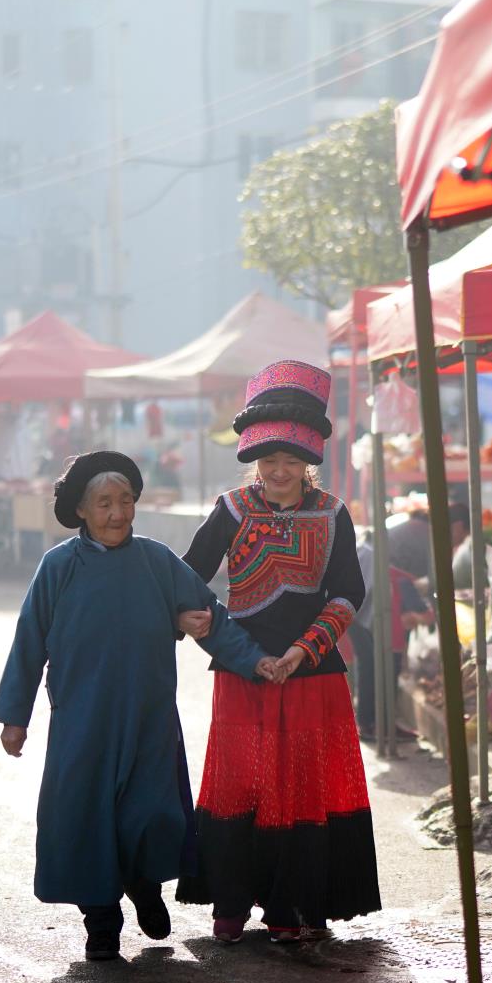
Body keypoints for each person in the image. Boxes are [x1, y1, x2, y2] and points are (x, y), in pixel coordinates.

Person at [0, 451, 271, 962]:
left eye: (125, 501)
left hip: (148, 717)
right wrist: (15, 716)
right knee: (85, 818)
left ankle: (144, 885)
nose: (118, 513)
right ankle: (100, 920)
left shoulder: (156, 560)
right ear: (81, 510)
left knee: (151, 813)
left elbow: (210, 617)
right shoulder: (58, 567)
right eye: (104, 503)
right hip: (83, 721)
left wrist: (256, 662)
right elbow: (28, 641)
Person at [176, 360, 383, 943]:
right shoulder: (232, 510)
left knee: (303, 783)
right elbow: (191, 577)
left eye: (292, 460)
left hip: (312, 670)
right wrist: (210, 631)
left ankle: (293, 906)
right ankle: (231, 904)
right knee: (240, 779)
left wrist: (300, 651)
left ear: (309, 461)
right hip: (243, 669)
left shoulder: (333, 513)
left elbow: (348, 592)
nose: (280, 470)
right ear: (254, 460)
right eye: (270, 460)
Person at [352, 526, 432, 742]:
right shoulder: (377, 559)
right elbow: (424, 612)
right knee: (376, 668)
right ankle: (374, 723)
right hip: (368, 621)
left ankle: (376, 722)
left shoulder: (367, 552)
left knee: (373, 666)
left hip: (361, 617)